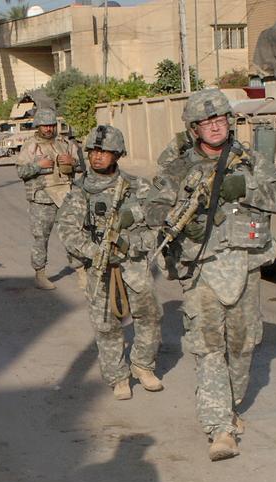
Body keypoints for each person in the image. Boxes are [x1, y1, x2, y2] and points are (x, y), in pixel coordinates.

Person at [152, 89, 276, 461]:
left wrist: (244, 187)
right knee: (209, 347)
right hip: (201, 269)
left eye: (220, 119)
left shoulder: (251, 161)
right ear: (194, 129)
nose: (215, 126)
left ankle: (230, 405)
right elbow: (153, 207)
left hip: (245, 264)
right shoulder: (178, 167)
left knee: (243, 346)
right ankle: (220, 429)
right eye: (206, 122)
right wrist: (181, 224)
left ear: (228, 121)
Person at [57, 125, 165, 400]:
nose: (97, 156)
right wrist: (94, 252)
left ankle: (143, 365)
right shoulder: (80, 191)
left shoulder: (136, 186)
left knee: (149, 315)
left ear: (117, 154)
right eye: (93, 150)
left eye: (104, 151)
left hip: (134, 264)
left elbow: (156, 224)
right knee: (106, 324)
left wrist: (134, 244)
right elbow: (68, 231)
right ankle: (118, 376)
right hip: (99, 266)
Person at [16, 107, 86, 290]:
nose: (48, 129)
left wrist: (73, 162)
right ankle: (40, 274)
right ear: (37, 126)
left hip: (66, 196)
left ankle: (81, 272)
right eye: (44, 125)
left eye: (51, 125)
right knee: (41, 238)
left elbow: (82, 167)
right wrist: (38, 165)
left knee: (72, 234)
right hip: (42, 198)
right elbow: (21, 171)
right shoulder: (30, 147)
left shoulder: (66, 143)